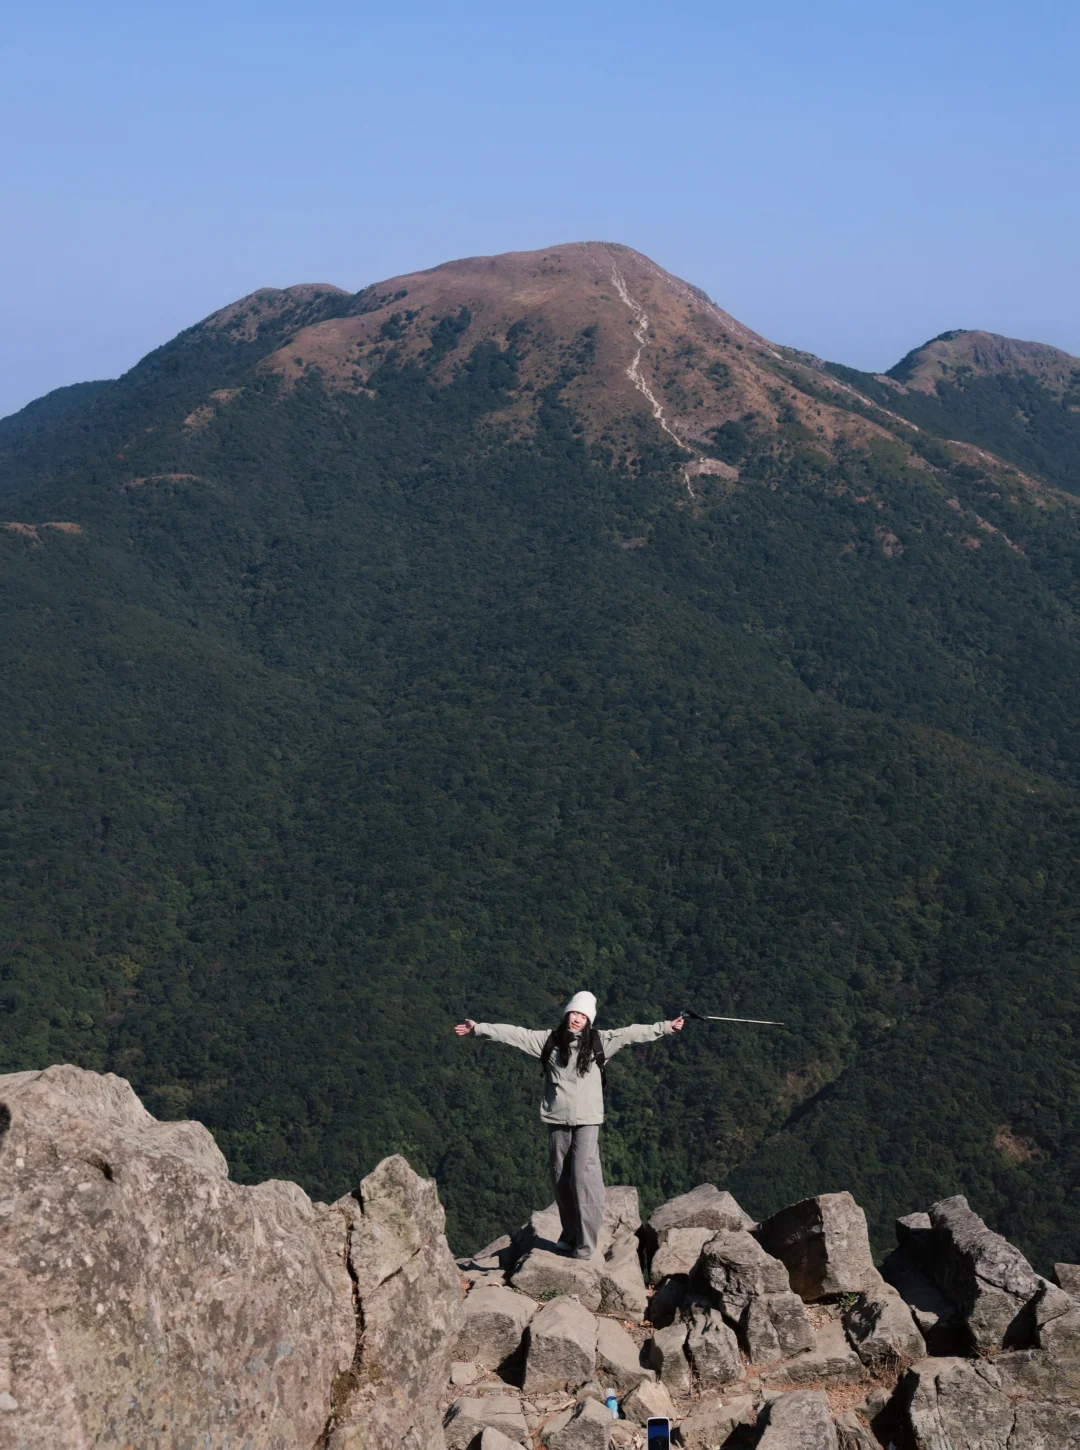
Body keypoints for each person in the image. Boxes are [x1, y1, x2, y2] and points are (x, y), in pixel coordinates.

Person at [455, 991, 684, 1260]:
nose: (577, 1019)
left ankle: (586, 1246)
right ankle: (569, 1235)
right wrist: (478, 1029)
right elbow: (515, 1034)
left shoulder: (600, 1042)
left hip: (587, 1120)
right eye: (574, 1013)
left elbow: (632, 1033)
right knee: (561, 1179)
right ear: (567, 1014)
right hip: (557, 1119)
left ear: (589, 1020)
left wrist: (667, 1027)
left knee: (582, 1177)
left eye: (583, 1016)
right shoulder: (549, 1042)